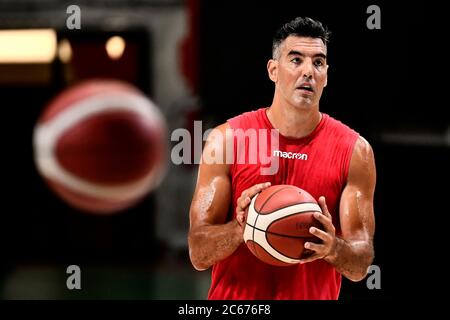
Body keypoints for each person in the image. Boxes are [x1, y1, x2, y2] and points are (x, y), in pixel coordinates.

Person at [188, 17, 376, 300]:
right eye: (296, 60)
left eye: (318, 62)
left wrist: (333, 247)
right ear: (273, 70)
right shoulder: (226, 139)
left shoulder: (355, 151)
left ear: (326, 74)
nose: (308, 72)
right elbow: (198, 253)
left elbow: (360, 264)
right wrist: (242, 228)